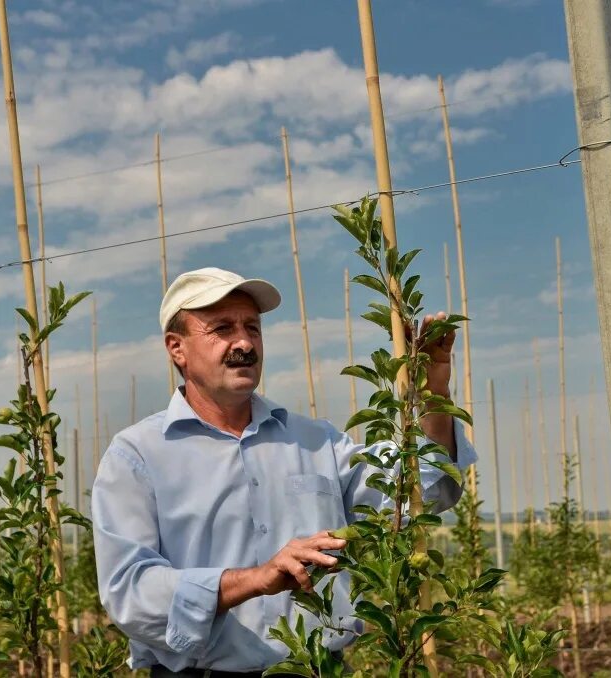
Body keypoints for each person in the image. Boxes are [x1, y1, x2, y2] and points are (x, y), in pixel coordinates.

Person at [91, 267, 476, 677]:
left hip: (319, 669)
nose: (244, 343)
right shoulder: (138, 455)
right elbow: (129, 592)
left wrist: (433, 388)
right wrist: (254, 579)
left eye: (252, 328)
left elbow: (422, 490)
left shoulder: (316, 441)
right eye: (222, 328)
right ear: (177, 348)